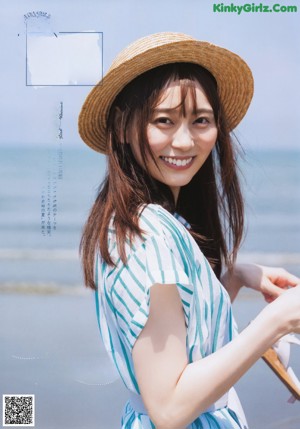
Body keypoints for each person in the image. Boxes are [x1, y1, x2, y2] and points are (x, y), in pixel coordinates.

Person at [78, 32, 300, 429]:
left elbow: (187, 339)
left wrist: (237, 275)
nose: (184, 141)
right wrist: (276, 322)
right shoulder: (148, 235)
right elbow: (170, 408)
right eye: (164, 120)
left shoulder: (139, 218)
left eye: (201, 121)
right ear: (124, 126)